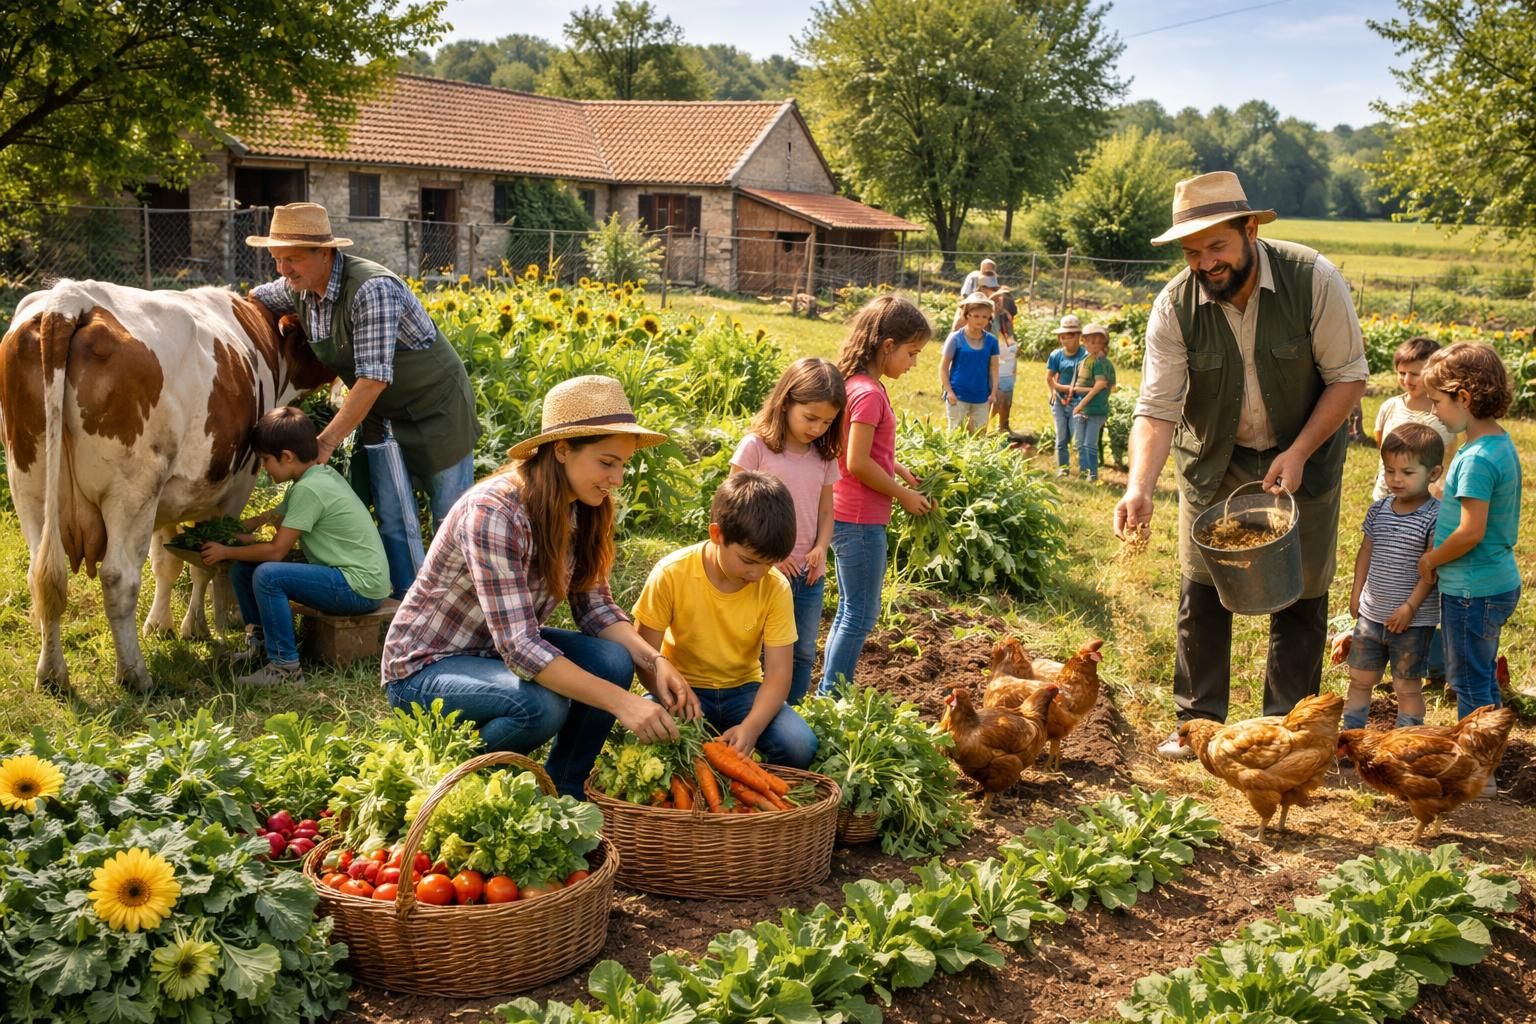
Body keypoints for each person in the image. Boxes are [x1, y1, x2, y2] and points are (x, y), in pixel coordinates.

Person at [1111, 171, 1369, 759]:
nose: (1205, 263)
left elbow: (1348, 377)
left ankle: (1286, 727)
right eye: (1192, 251)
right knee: (1200, 587)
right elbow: (1155, 407)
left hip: (1304, 449)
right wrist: (1140, 487)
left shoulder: (1313, 280)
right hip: (1213, 458)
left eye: (1217, 246)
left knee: (1302, 589)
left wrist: (1299, 451)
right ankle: (1197, 723)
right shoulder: (1175, 305)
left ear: (1250, 230)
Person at [381, 375, 693, 797]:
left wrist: (654, 662)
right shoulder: (493, 511)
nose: (617, 478)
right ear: (562, 450)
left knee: (613, 659)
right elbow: (520, 647)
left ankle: (566, 789)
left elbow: (595, 608)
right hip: (427, 667)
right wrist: (623, 703)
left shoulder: (583, 507)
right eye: (607, 462)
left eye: (622, 464)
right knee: (540, 706)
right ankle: (448, 780)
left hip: (493, 652)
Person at [246, 202, 480, 600]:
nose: (283, 270)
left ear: (326, 252)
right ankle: (409, 602)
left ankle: (461, 606)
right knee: (392, 513)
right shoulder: (297, 287)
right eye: (277, 259)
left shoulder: (371, 289)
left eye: (293, 259)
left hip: (435, 406)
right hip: (380, 414)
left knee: (450, 515)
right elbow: (255, 297)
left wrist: (324, 442)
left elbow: (372, 380)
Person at [633, 473, 818, 767]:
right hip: (682, 690)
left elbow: (779, 673)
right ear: (717, 535)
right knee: (649, 741)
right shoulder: (671, 574)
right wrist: (672, 698)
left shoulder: (774, 586)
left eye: (768, 563)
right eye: (747, 561)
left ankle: (751, 784)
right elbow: (644, 658)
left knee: (798, 745)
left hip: (744, 691)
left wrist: (752, 727)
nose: (757, 574)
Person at [199, 407, 392, 686]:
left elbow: (276, 551)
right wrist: (225, 533)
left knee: (268, 575)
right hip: (345, 575)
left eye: (265, 460)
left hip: (358, 586)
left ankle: (285, 668)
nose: (264, 467)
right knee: (244, 569)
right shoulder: (314, 477)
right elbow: (264, 522)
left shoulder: (308, 490)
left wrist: (225, 552)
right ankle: (262, 646)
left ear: (286, 457)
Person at [819, 295, 935, 695]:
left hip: (847, 512)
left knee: (851, 612)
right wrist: (902, 493)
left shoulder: (856, 384)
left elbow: (861, 452)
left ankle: (829, 692)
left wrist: (897, 467)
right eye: (912, 353)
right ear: (887, 346)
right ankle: (831, 696)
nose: (914, 363)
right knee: (860, 615)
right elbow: (856, 462)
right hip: (860, 518)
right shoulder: (868, 393)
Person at [730, 357, 847, 704]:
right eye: (810, 418)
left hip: (807, 574)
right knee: (759, 650)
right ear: (785, 403)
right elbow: (733, 507)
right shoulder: (756, 448)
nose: (817, 428)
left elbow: (827, 509)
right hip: (761, 571)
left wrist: (821, 548)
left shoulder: (824, 457)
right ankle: (752, 711)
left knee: (803, 651)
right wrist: (769, 560)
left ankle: (790, 711)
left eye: (827, 422)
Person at [1418, 342, 1522, 730]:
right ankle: (1490, 753)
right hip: (1491, 583)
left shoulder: (1477, 458)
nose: (1433, 411)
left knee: (1468, 682)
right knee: (1480, 675)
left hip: (1470, 592)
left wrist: (1431, 559)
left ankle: (1479, 768)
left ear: (1464, 396)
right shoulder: (1495, 443)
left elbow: (1470, 532)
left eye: (1437, 401)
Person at [1344, 423, 1445, 731]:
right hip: (1372, 616)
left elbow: (1432, 570)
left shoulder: (1435, 516)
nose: (1396, 479)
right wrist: (1356, 592)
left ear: (1434, 473)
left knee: (1406, 686)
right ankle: (1351, 739)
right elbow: (1366, 552)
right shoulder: (1379, 511)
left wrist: (1410, 607)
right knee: (1360, 679)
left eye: (1407, 472)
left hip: (1412, 622)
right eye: (1389, 471)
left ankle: (1406, 743)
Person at [1373, 336, 1459, 501]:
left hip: (1429, 503)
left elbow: (1449, 457)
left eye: (1414, 374)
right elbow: (1382, 446)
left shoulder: (1446, 415)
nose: (1407, 380)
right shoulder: (1389, 407)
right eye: (1402, 373)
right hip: (1387, 498)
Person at [940, 293, 1000, 432]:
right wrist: (949, 391)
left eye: (985, 317)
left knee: (980, 435)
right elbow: (943, 367)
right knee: (955, 435)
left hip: (982, 397)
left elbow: (994, 368)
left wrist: (993, 393)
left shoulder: (991, 341)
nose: (981, 320)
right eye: (976, 316)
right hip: (957, 395)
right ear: (967, 315)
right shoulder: (955, 339)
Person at [1069, 323, 1115, 484]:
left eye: (1099, 342)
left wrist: (1081, 404)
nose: (1095, 345)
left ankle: (1092, 474)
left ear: (1104, 344)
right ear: (1084, 342)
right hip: (1083, 407)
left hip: (1094, 410)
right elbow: (1111, 386)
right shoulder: (1086, 360)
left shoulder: (1100, 363)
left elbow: (1101, 385)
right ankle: (1084, 472)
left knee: (1089, 444)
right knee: (1080, 443)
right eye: (1091, 342)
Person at [1045, 315, 1088, 476]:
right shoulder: (1056, 355)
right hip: (1059, 401)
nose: (1064, 341)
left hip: (1078, 403)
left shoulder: (1086, 356)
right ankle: (1063, 470)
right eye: (1062, 337)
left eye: (1068, 337)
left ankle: (1086, 471)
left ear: (1078, 337)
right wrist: (1052, 392)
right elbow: (1049, 377)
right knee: (1061, 438)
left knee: (1078, 439)